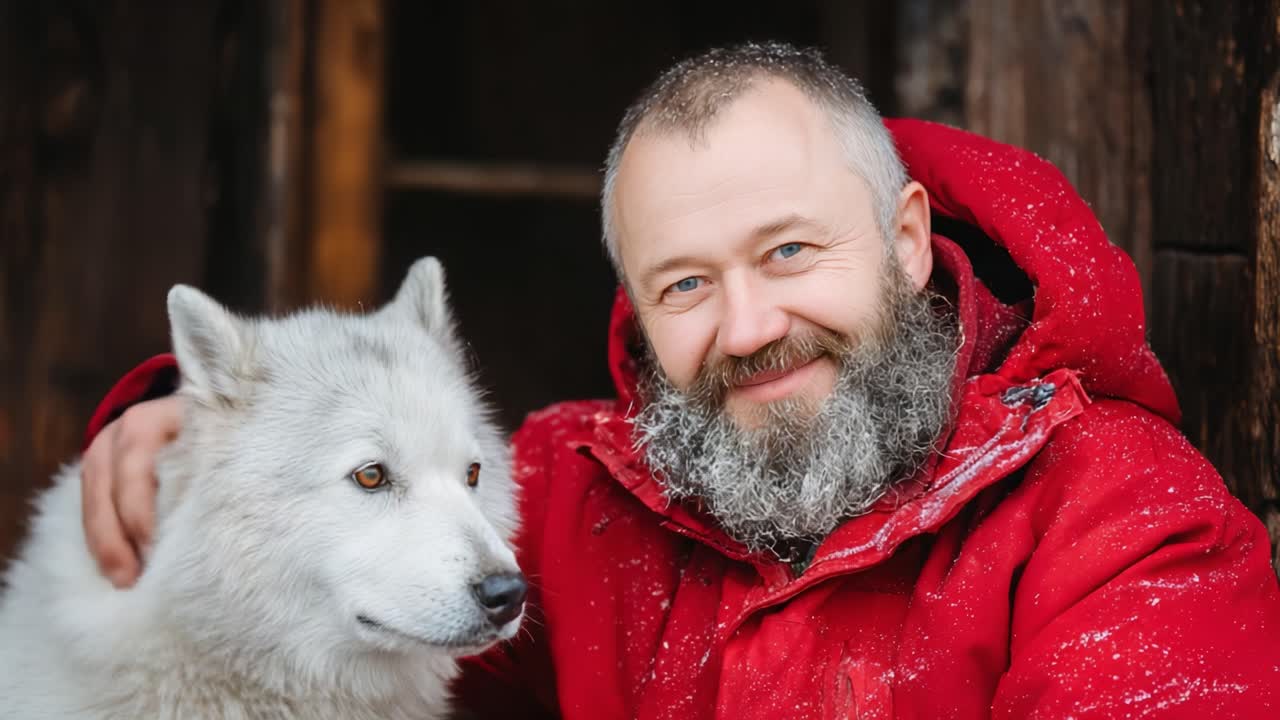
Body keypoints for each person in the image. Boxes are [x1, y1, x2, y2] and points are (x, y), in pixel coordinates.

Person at [76, 42, 1280, 718]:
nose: (748, 326)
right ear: (637, 308)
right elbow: (293, 590)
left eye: (789, 252)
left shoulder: (1125, 522)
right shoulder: (569, 490)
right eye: (685, 286)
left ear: (908, 238)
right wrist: (189, 428)